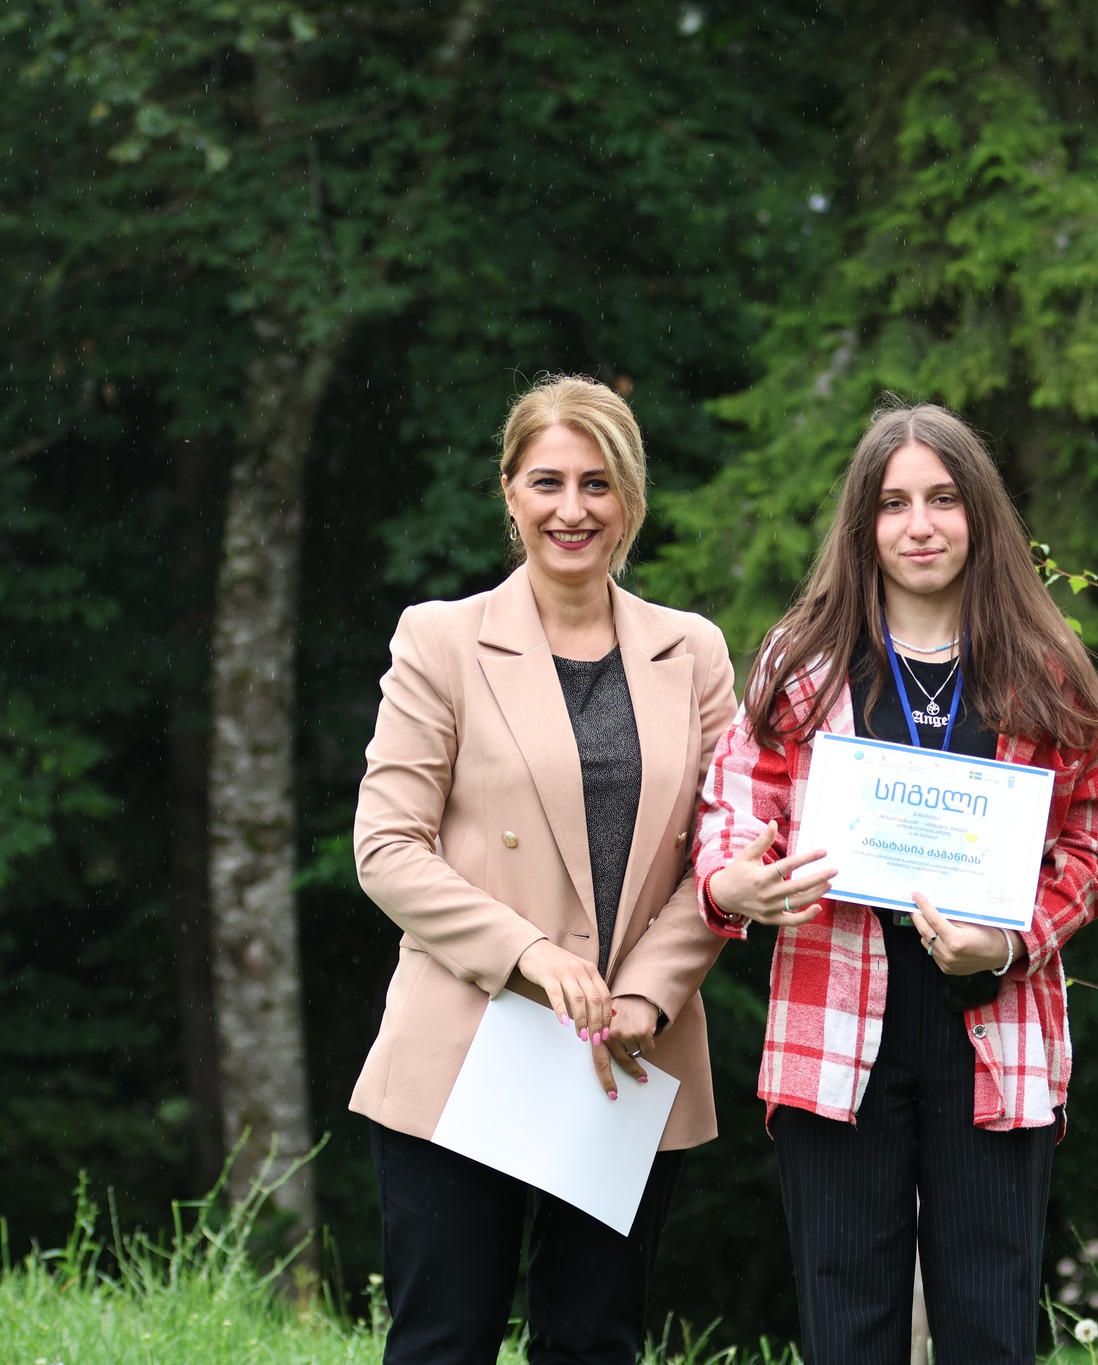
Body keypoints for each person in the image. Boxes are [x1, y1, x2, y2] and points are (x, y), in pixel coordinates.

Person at [692, 400, 1098, 1365]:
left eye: (943, 499)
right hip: (835, 1012)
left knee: (992, 1322)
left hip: (993, 1018)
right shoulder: (803, 661)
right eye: (894, 504)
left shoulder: (1043, 666)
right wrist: (735, 881)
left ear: (980, 514)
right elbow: (733, 802)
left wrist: (1012, 939)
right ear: (864, 525)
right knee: (847, 1321)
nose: (920, 525)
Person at [351, 375, 737, 1365]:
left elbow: (726, 849)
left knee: (593, 1344)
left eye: (597, 484)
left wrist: (647, 991)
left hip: (626, 1052)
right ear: (510, 492)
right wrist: (529, 953)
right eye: (548, 482)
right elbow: (386, 848)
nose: (573, 509)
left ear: (630, 499)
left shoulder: (693, 652)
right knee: (443, 1343)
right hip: (465, 1041)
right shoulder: (440, 639)